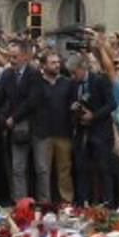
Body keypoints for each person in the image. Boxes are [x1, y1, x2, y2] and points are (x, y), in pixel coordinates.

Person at [67, 53, 115, 206]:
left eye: (74, 72)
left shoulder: (100, 80)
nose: (73, 76)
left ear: (83, 68)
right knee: (81, 167)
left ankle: (108, 202)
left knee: (103, 167)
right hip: (81, 131)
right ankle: (82, 201)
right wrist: (74, 107)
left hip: (100, 131)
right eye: (71, 73)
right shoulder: (73, 84)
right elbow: (71, 101)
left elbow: (111, 104)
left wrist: (93, 116)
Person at [0, 41, 43, 202]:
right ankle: (20, 202)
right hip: (16, 130)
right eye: (9, 56)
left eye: (15, 56)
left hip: (36, 126)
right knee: (18, 168)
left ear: (24, 56)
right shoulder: (7, 75)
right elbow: (0, 99)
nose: (11, 60)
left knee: (41, 169)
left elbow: (33, 100)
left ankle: (44, 202)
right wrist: (4, 119)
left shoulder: (34, 74)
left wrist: (14, 117)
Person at [34, 53, 76, 204]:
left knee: (64, 170)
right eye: (52, 63)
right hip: (42, 133)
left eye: (58, 62)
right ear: (44, 65)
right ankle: (45, 203)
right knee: (43, 171)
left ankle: (66, 202)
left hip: (63, 132)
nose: (57, 65)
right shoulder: (36, 82)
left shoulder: (67, 83)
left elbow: (73, 102)